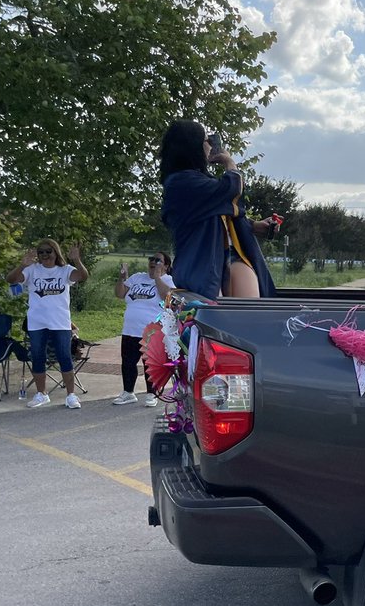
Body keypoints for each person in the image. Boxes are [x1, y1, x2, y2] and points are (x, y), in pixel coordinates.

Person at [159, 120, 280, 299]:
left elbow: (221, 213)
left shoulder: (197, 182)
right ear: (193, 146)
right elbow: (230, 190)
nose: (210, 145)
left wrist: (254, 226)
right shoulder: (181, 182)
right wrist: (229, 162)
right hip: (204, 264)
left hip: (228, 257)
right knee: (217, 321)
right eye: (206, 140)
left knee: (248, 317)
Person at [7, 238, 88, 409]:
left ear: (55, 252)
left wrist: (76, 259)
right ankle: (41, 394)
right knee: (38, 356)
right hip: (37, 322)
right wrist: (22, 265)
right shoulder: (32, 270)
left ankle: (71, 395)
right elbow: (11, 280)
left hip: (60, 322)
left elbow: (82, 276)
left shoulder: (65, 270)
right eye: (41, 252)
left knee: (64, 356)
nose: (45, 255)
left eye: (48, 251)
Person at [113, 251, 175, 407]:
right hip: (130, 329)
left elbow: (167, 298)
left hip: (152, 330)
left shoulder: (168, 280)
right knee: (128, 362)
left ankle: (152, 394)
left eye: (158, 261)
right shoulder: (137, 277)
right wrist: (122, 278)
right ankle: (128, 392)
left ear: (166, 266)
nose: (153, 262)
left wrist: (158, 278)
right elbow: (120, 294)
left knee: (150, 363)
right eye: (151, 259)